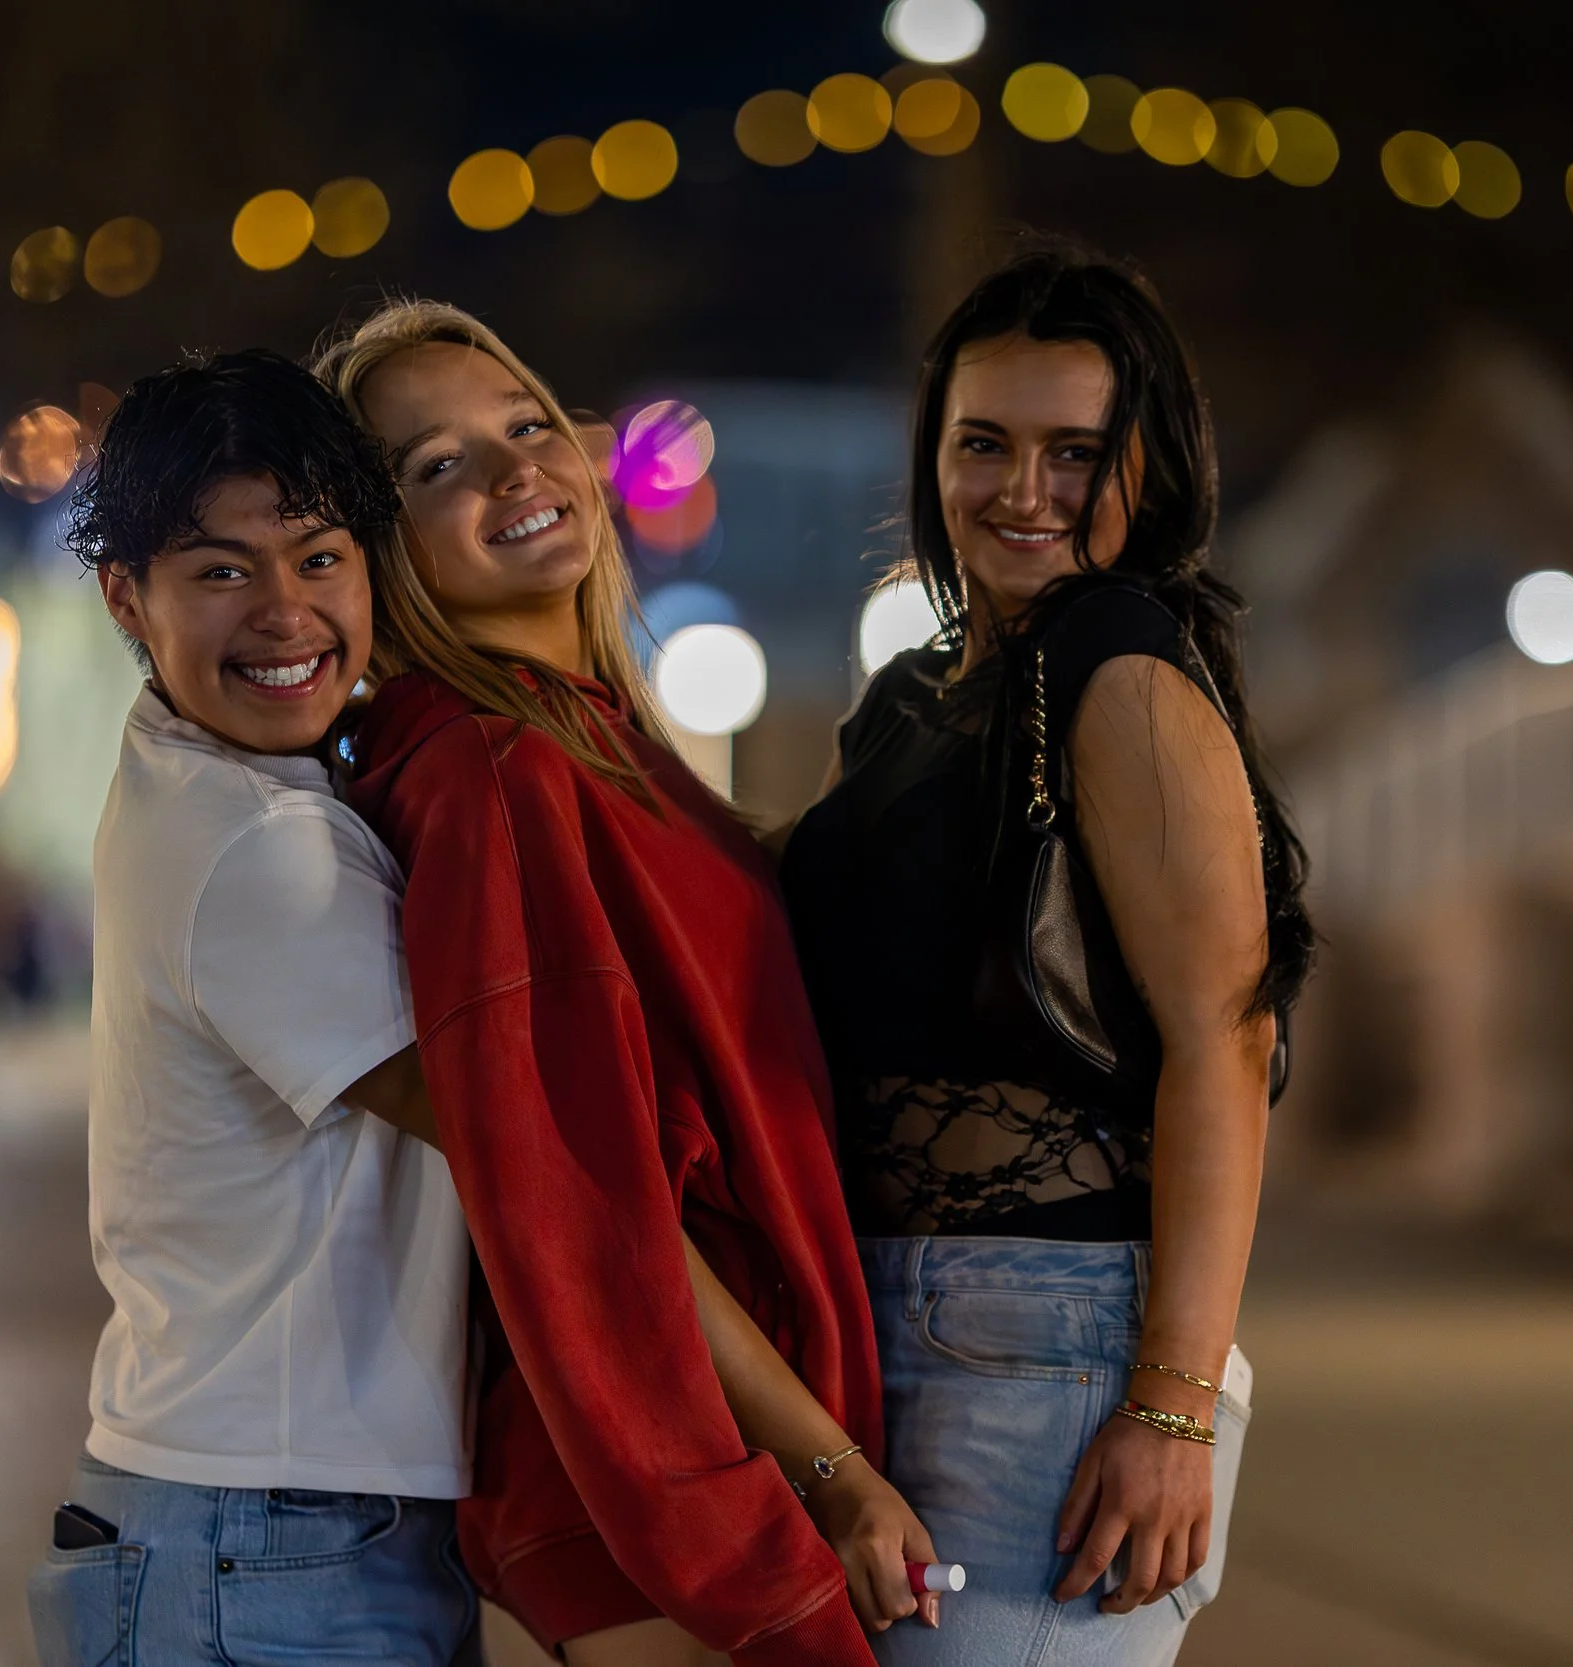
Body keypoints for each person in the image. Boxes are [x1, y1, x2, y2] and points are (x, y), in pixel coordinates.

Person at [315, 302, 935, 1667]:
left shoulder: (594, 741)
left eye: (527, 425)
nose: (512, 471)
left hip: (727, 1437)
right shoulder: (490, 776)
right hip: (657, 1481)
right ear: (373, 553)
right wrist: (823, 1470)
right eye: (435, 468)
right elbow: (588, 1205)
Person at [779, 246, 1317, 1665]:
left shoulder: (1119, 663)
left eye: (1075, 453)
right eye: (985, 445)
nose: (1023, 492)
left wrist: (1171, 1403)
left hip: (1054, 1347)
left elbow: (1228, 1034)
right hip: (876, 1321)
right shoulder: (918, 695)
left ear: (1153, 469)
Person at [28, 349, 479, 1667]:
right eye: (222, 571)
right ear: (128, 595)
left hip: (240, 1515)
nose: (287, 613)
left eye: (319, 556)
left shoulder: (190, 770)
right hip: (268, 1536)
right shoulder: (256, 845)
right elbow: (493, 1117)